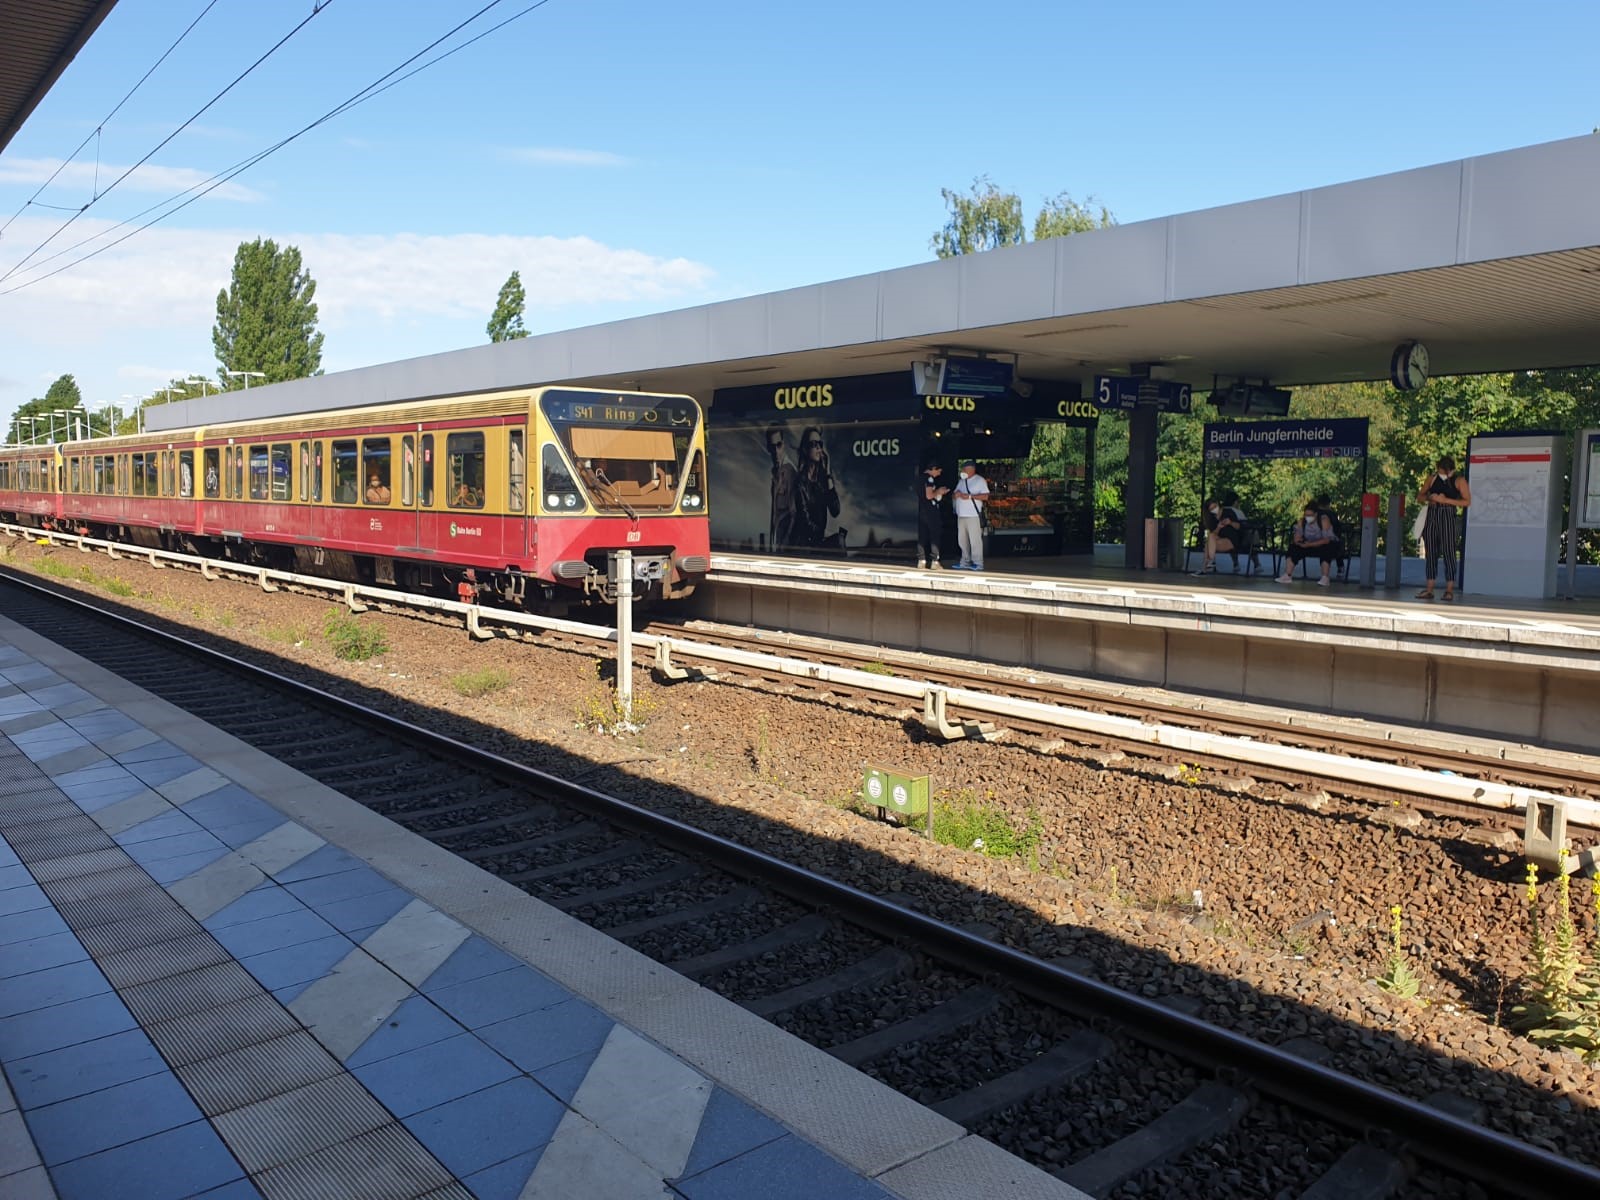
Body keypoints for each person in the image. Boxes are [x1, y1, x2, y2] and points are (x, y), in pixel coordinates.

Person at [1416, 455, 1471, 602]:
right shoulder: (1432, 478)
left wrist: (1446, 500)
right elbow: (1419, 496)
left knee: (1449, 552)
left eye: (1443, 471)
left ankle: (1449, 589)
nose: (1441, 474)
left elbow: (1467, 501)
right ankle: (1429, 588)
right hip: (1432, 514)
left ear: (1449, 470)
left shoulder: (1459, 481)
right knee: (1431, 552)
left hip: (1448, 515)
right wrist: (1430, 498)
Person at [792, 426, 841, 548]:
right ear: (805, 449)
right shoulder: (800, 482)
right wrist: (823, 535)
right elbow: (805, 520)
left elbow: (835, 510)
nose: (819, 448)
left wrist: (828, 472)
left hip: (817, 541)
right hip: (802, 543)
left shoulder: (823, 479)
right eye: (814, 444)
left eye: (820, 444)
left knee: (840, 541)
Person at [1276, 503, 1340, 586]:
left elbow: (1326, 540)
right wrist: (1299, 542)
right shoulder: (1302, 522)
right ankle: (1287, 575)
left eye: (1310, 515)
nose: (1308, 517)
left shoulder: (1324, 521)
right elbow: (1297, 537)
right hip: (1308, 544)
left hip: (1324, 543)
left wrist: (1310, 544)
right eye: (1306, 515)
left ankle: (1325, 577)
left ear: (1316, 514)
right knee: (1293, 548)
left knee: (1327, 549)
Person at [951, 459, 989, 571]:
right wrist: (956, 495)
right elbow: (953, 495)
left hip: (973, 515)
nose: (963, 471)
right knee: (962, 540)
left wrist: (970, 496)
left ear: (971, 469)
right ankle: (965, 561)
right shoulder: (962, 481)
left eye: (965, 469)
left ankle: (978, 563)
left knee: (975, 540)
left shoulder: (980, 480)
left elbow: (985, 496)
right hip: (961, 515)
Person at [765, 427, 797, 550]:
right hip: (777, 537)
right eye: (772, 447)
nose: (776, 451)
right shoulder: (775, 473)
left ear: (783, 445)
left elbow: (794, 513)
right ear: (768, 448)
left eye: (779, 445)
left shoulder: (789, 471)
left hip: (786, 542)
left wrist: (786, 542)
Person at [1192, 498, 1240, 575]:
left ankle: (1206, 566)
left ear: (1218, 504)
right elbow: (1214, 533)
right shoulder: (1211, 518)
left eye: (1215, 507)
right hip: (1219, 539)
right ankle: (1209, 563)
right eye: (1211, 509)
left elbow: (1238, 526)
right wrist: (1218, 527)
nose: (1214, 509)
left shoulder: (1228, 512)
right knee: (1210, 537)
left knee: (1208, 543)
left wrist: (1230, 522)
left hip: (1231, 540)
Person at [918, 460, 949, 569]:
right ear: (934, 468)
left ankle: (921, 560)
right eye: (938, 471)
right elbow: (929, 495)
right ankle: (935, 561)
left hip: (922, 510)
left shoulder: (919, 478)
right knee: (935, 534)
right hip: (931, 510)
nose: (939, 474)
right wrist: (939, 491)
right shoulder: (929, 478)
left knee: (922, 535)